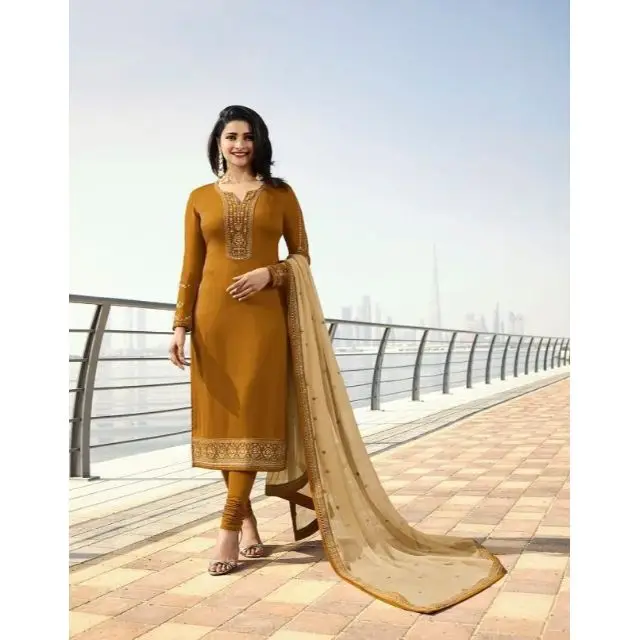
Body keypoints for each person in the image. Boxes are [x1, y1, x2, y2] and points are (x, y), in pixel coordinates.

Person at [169, 105, 506, 613]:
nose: (240, 144)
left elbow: (301, 256)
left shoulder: (281, 194)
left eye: (248, 136)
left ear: (260, 143)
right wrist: (180, 324)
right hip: (213, 322)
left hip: (262, 322)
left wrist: (269, 274)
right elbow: (191, 266)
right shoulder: (198, 197)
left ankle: (227, 528)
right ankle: (249, 521)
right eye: (231, 136)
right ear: (218, 142)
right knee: (224, 422)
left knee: (255, 418)